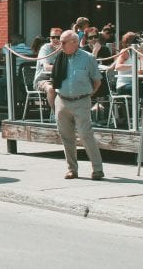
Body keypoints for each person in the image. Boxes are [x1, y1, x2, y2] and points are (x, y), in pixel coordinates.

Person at [50, 29, 104, 180]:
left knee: (86, 135)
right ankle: (72, 169)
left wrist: (85, 96)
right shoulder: (59, 57)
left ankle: (97, 169)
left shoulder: (88, 58)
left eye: (63, 42)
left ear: (74, 42)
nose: (60, 45)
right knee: (66, 136)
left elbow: (97, 81)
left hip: (81, 101)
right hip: (62, 100)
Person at [33, 27, 63, 107]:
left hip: (60, 79)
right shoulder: (45, 48)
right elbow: (46, 67)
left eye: (58, 37)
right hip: (43, 80)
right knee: (51, 89)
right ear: (50, 38)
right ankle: (55, 114)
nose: (56, 40)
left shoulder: (64, 49)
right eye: (53, 37)